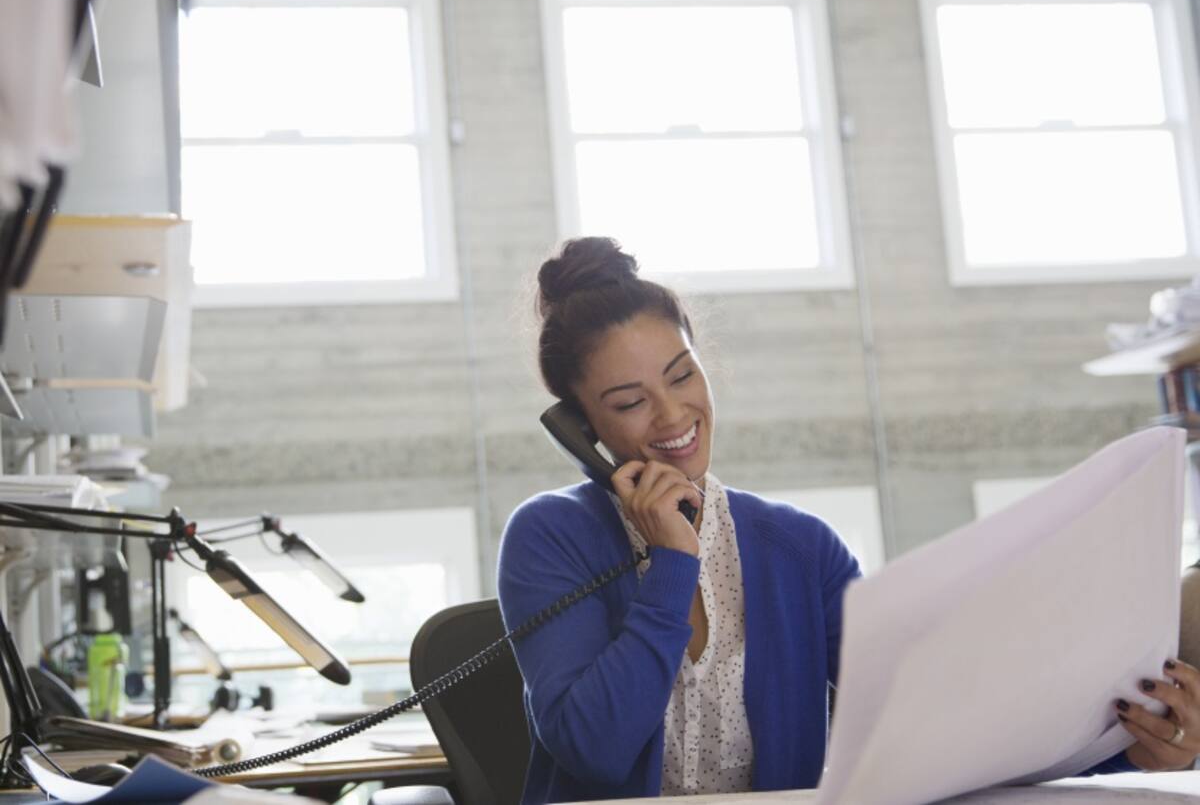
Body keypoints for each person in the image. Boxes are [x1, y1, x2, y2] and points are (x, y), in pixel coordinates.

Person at [496, 237, 1200, 804]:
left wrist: (1122, 746)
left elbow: (934, 730)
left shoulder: (801, 550)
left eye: (682, 376)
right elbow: (595, 749)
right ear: (579, 424)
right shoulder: (549, 538)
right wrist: (671, 564)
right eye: (628, 402)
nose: (674, 415)